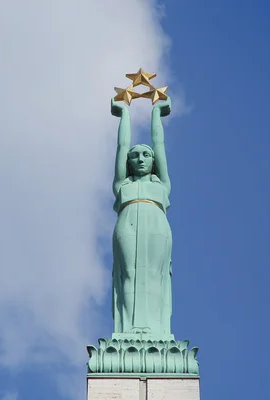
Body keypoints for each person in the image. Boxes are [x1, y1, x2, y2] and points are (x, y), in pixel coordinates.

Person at [111, 96, 173, 337]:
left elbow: (159, 143)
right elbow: (121, 146)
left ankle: (155, 330)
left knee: (154, 275)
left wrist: (156, 114)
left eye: (146, 156)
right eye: (135, 156)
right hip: (127, 224)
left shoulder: (163, 186)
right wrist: (124, 114)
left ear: (153, 161)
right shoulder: (122, 186)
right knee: (129, 274)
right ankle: (129, 329)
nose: (140, 159)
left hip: (157, 224)